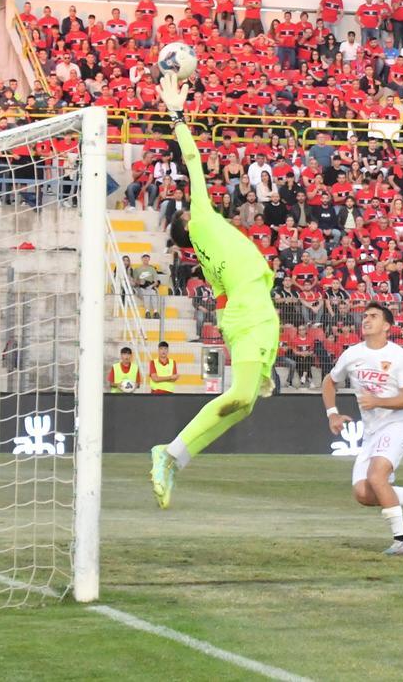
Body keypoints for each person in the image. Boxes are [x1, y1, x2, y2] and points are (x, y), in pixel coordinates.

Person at [148, 72, 282, 509]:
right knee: (242, 397)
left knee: (244, 407)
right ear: (187, 224)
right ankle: (168, 453)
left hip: (258, 313)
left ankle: (175, 457)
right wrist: (176, 115)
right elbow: (192, 160)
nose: (189, 204)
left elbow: (220, 295)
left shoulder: (206, 258)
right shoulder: (203, 217)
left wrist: (227, 325)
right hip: (250, 316)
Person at [322, 303, 403, 555]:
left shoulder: (399, 356)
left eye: (373, 316)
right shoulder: (352, 354)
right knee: (362, 493)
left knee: (376, 477)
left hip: (396, 426)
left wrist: (378, 401)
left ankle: (402, 541)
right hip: (372, 434)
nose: (366, 320)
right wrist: (332, 413)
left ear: (387, 326)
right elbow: (330, 381)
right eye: (365, 316)